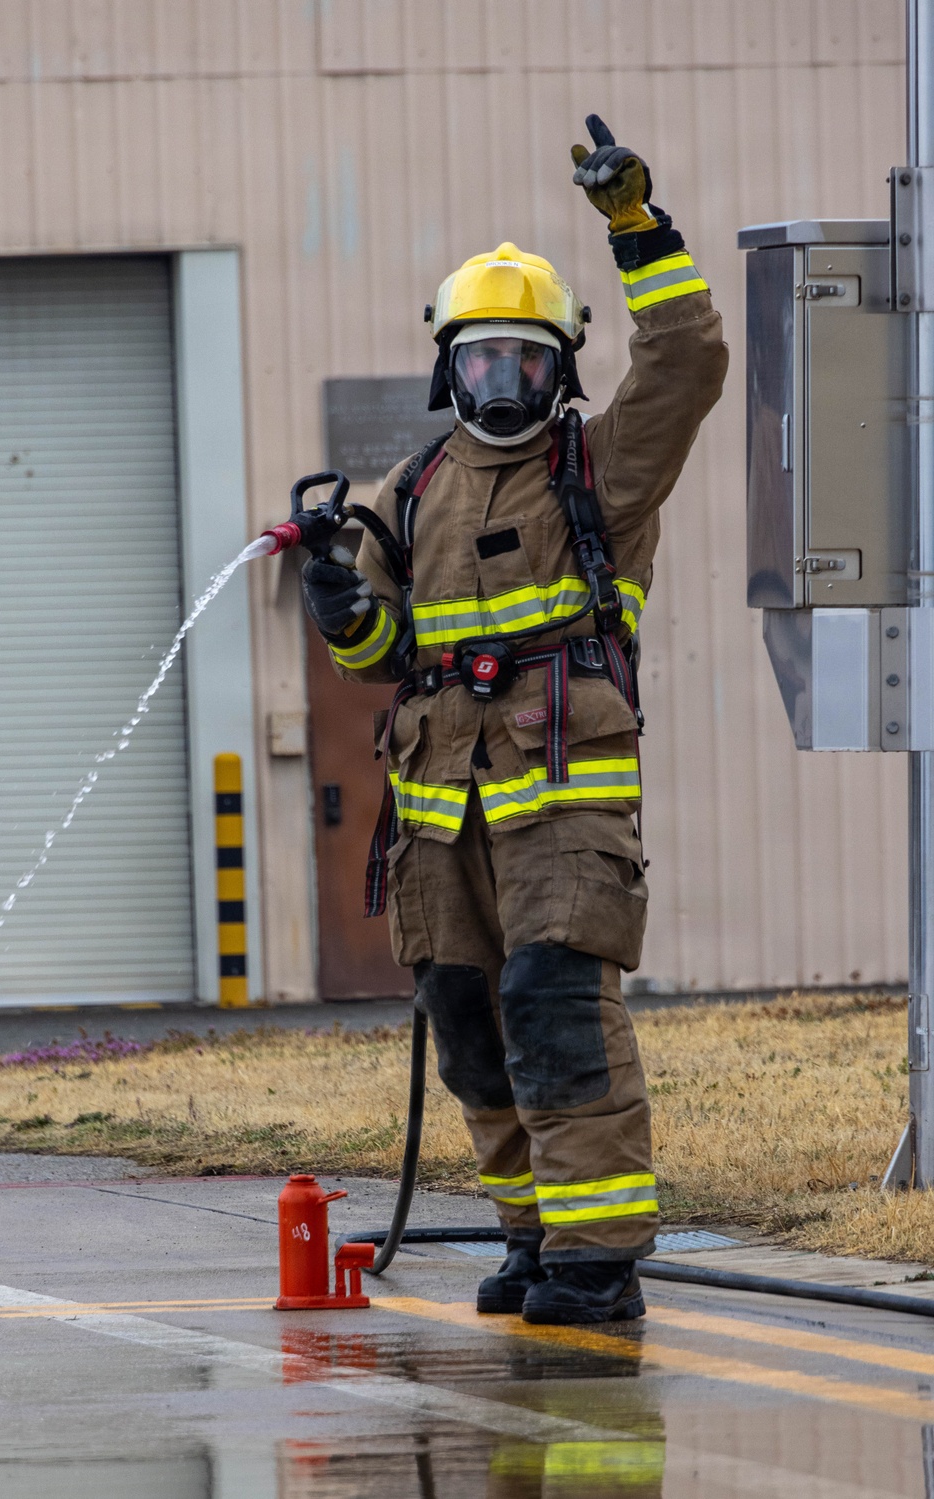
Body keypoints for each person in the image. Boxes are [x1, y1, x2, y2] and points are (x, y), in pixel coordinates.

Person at [300, 116, 728, 1324]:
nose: (504, 385)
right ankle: (532, 1235)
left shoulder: (603, 469)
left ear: (562, 370)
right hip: (443, 818)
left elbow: (690, 362)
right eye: (484, 363)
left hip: (564, 802)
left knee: (553, 1003)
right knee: (468, 1024)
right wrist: (340, 608)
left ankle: (598, 1262)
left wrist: (637, 229)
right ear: (450, 369)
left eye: (527, 364)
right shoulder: (412, 490)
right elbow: (383, 652)